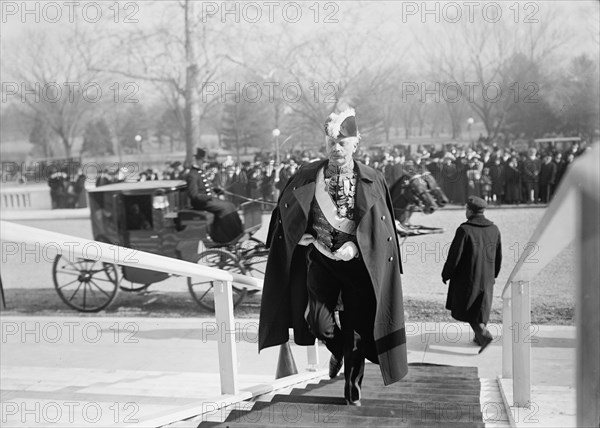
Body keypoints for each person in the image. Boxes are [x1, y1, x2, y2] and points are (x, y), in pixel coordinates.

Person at [258, 108, 408, 406]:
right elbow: (283, 213)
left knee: (354, 328)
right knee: (317, 322)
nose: (336, 149)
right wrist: (297, 235)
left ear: (355, 144)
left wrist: (358, 245)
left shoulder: (372, 179)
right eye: (331, 144)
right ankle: (337, 349)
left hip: (358, 265)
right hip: (320, 260)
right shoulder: (305, 176)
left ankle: (352, 387)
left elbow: (382, 227)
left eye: (343, 143)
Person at [442, 196, 502, 353]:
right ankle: (478, 337)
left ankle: (483, 335)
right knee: (481, 307)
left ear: (469, 210)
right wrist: (493, 275)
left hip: (467, 279)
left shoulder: (464, 230)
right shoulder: (494, 229)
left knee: (468, 308)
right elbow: (498, 255)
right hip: (487, 277)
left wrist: (446, 274)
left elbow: (454, 256)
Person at [186, 148, 243, 244]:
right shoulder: (192, 175)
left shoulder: (200, 172)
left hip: (209, 199)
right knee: (225, 208)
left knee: (231, 205)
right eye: (203, 161)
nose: (205, 163)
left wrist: (218, 191)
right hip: (201, 203)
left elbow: (208, 187)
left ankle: (237, 234)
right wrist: (209, 197)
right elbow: (194, 195)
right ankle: (224, 238)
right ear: (198, 160)